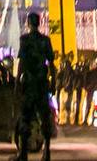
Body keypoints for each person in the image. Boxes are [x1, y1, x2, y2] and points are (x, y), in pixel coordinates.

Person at [15, 12, 56, 161]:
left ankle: (23, 153)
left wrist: (16, 83)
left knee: (25, 118)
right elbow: (51, 64)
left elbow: (21, 63)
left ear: (28, 23)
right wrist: (54, 83)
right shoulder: (45, 41)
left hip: (29, 84)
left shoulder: (24, 40)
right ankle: (47, 152)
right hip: (41, 84)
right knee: (44, 118)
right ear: (39, 23)